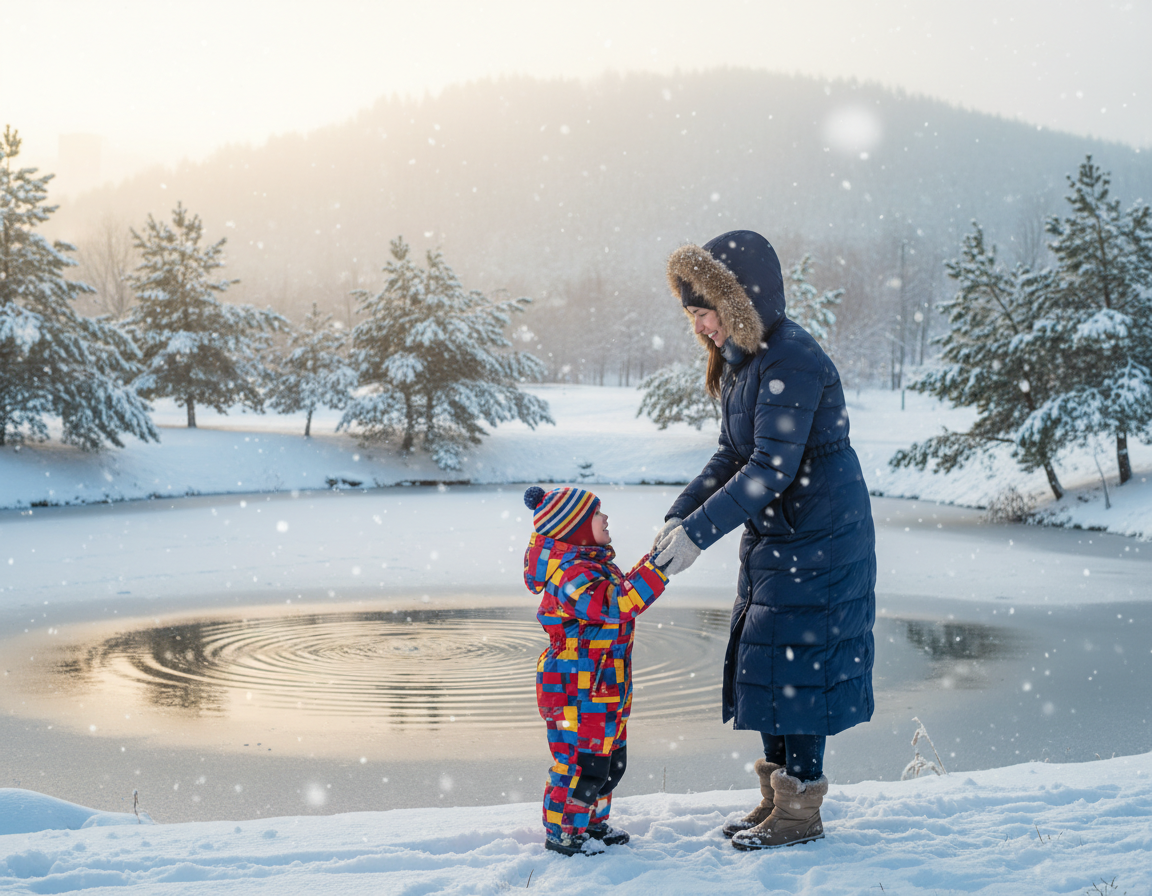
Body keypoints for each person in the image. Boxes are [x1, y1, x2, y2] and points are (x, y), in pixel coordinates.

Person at [652, 230, 876, 850]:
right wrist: (679, 515)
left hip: (821, 535)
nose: (699, 326)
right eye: (691, 314)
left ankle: (801, 809)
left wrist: (699, 535)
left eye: (705, 311)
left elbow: (771, 467)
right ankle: (778, 798)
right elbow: (733, 452)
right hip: (780, 532)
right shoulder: (744, 361)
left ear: (740, 300)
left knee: (799, 663)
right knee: (768, 657)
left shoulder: (791, 359)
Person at [523, 485, 669, 856]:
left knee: (609, 761)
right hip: (576, 688)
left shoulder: (593, 564)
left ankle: (591, 824)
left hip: (604, 684)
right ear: (574, 528)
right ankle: (564, 833)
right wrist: (661, 569)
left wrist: (656, 558)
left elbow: (622, 587)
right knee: (581, 765)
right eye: (597, 514)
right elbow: (618, 602)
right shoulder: (571, 574)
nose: (606, 519)